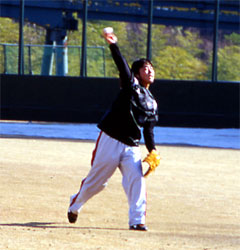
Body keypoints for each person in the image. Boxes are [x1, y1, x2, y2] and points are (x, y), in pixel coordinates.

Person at [67, 30, 159, 231]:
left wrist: (152, 150)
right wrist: (113, 45)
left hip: (131, 146)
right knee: (98, 183)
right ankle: (76, 203)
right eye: (145, 68)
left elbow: (149, 130)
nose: (150, 70)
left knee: (136, 180)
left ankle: (137, 220)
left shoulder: (152, 102)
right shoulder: (130, 85)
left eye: (151, 68)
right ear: (136, 73)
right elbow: (122, 65)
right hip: (111, 138)